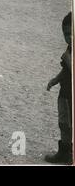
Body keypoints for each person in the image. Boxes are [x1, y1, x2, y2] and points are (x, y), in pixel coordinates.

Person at [45, 12, 72, 164]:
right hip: (64, 93)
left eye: (72, 33)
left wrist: (68, 60)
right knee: (63, 123)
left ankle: (69, 154)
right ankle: (64, 152)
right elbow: (65, 71)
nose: (69, 37)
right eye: (66, 34)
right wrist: (55, 80)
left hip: (71, 96)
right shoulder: (69, 48)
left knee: (70, 125)